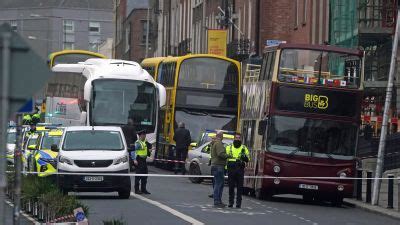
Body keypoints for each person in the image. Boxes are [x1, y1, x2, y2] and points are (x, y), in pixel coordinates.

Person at [226, 133, 250, 208]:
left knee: (240, 187)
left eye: (239, 138)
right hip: (231, 169)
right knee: (231, 187)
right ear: (234, 139)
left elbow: (248, 159)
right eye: (236, 138)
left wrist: (244, 158)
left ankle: (238, 203)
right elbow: (225, 158)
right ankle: (230, 202)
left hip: (240, 169)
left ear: (241, 139)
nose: (237, 139)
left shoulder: (244, 148)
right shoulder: (229, 147)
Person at [210, 131, 230, 208]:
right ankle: (217, 201)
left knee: (217, 183)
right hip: (219, 166)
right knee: (219, 184)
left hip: (215, 165)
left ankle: (217, 200)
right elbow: (220, 154)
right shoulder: (218, 143)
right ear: (221, 136)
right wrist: (228, 156)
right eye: (222, 136)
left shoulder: (215, 143)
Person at [133, 130, 151, 194]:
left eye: (145, 135)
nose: (145, 136)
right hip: (139, 160)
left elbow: (146, 150)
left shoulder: (144, 142)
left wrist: (149, 151)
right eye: (144, 135)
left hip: (144, 160)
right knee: (138, 175)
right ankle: (137, 189)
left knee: (145, 174)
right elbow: (133, 151)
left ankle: (143, 189)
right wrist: (134, 160)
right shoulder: (138, 143)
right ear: (140, 135)